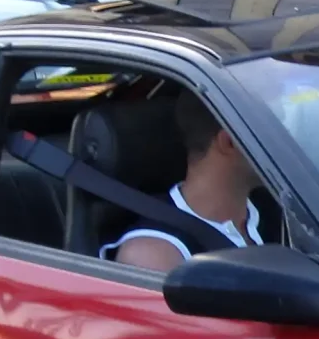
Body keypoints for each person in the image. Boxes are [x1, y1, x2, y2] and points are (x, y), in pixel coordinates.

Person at [105, 99, 266, 270]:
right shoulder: (155, 255)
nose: (283, 148)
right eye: (270, 135)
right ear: (229, 142)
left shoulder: (275, 210)